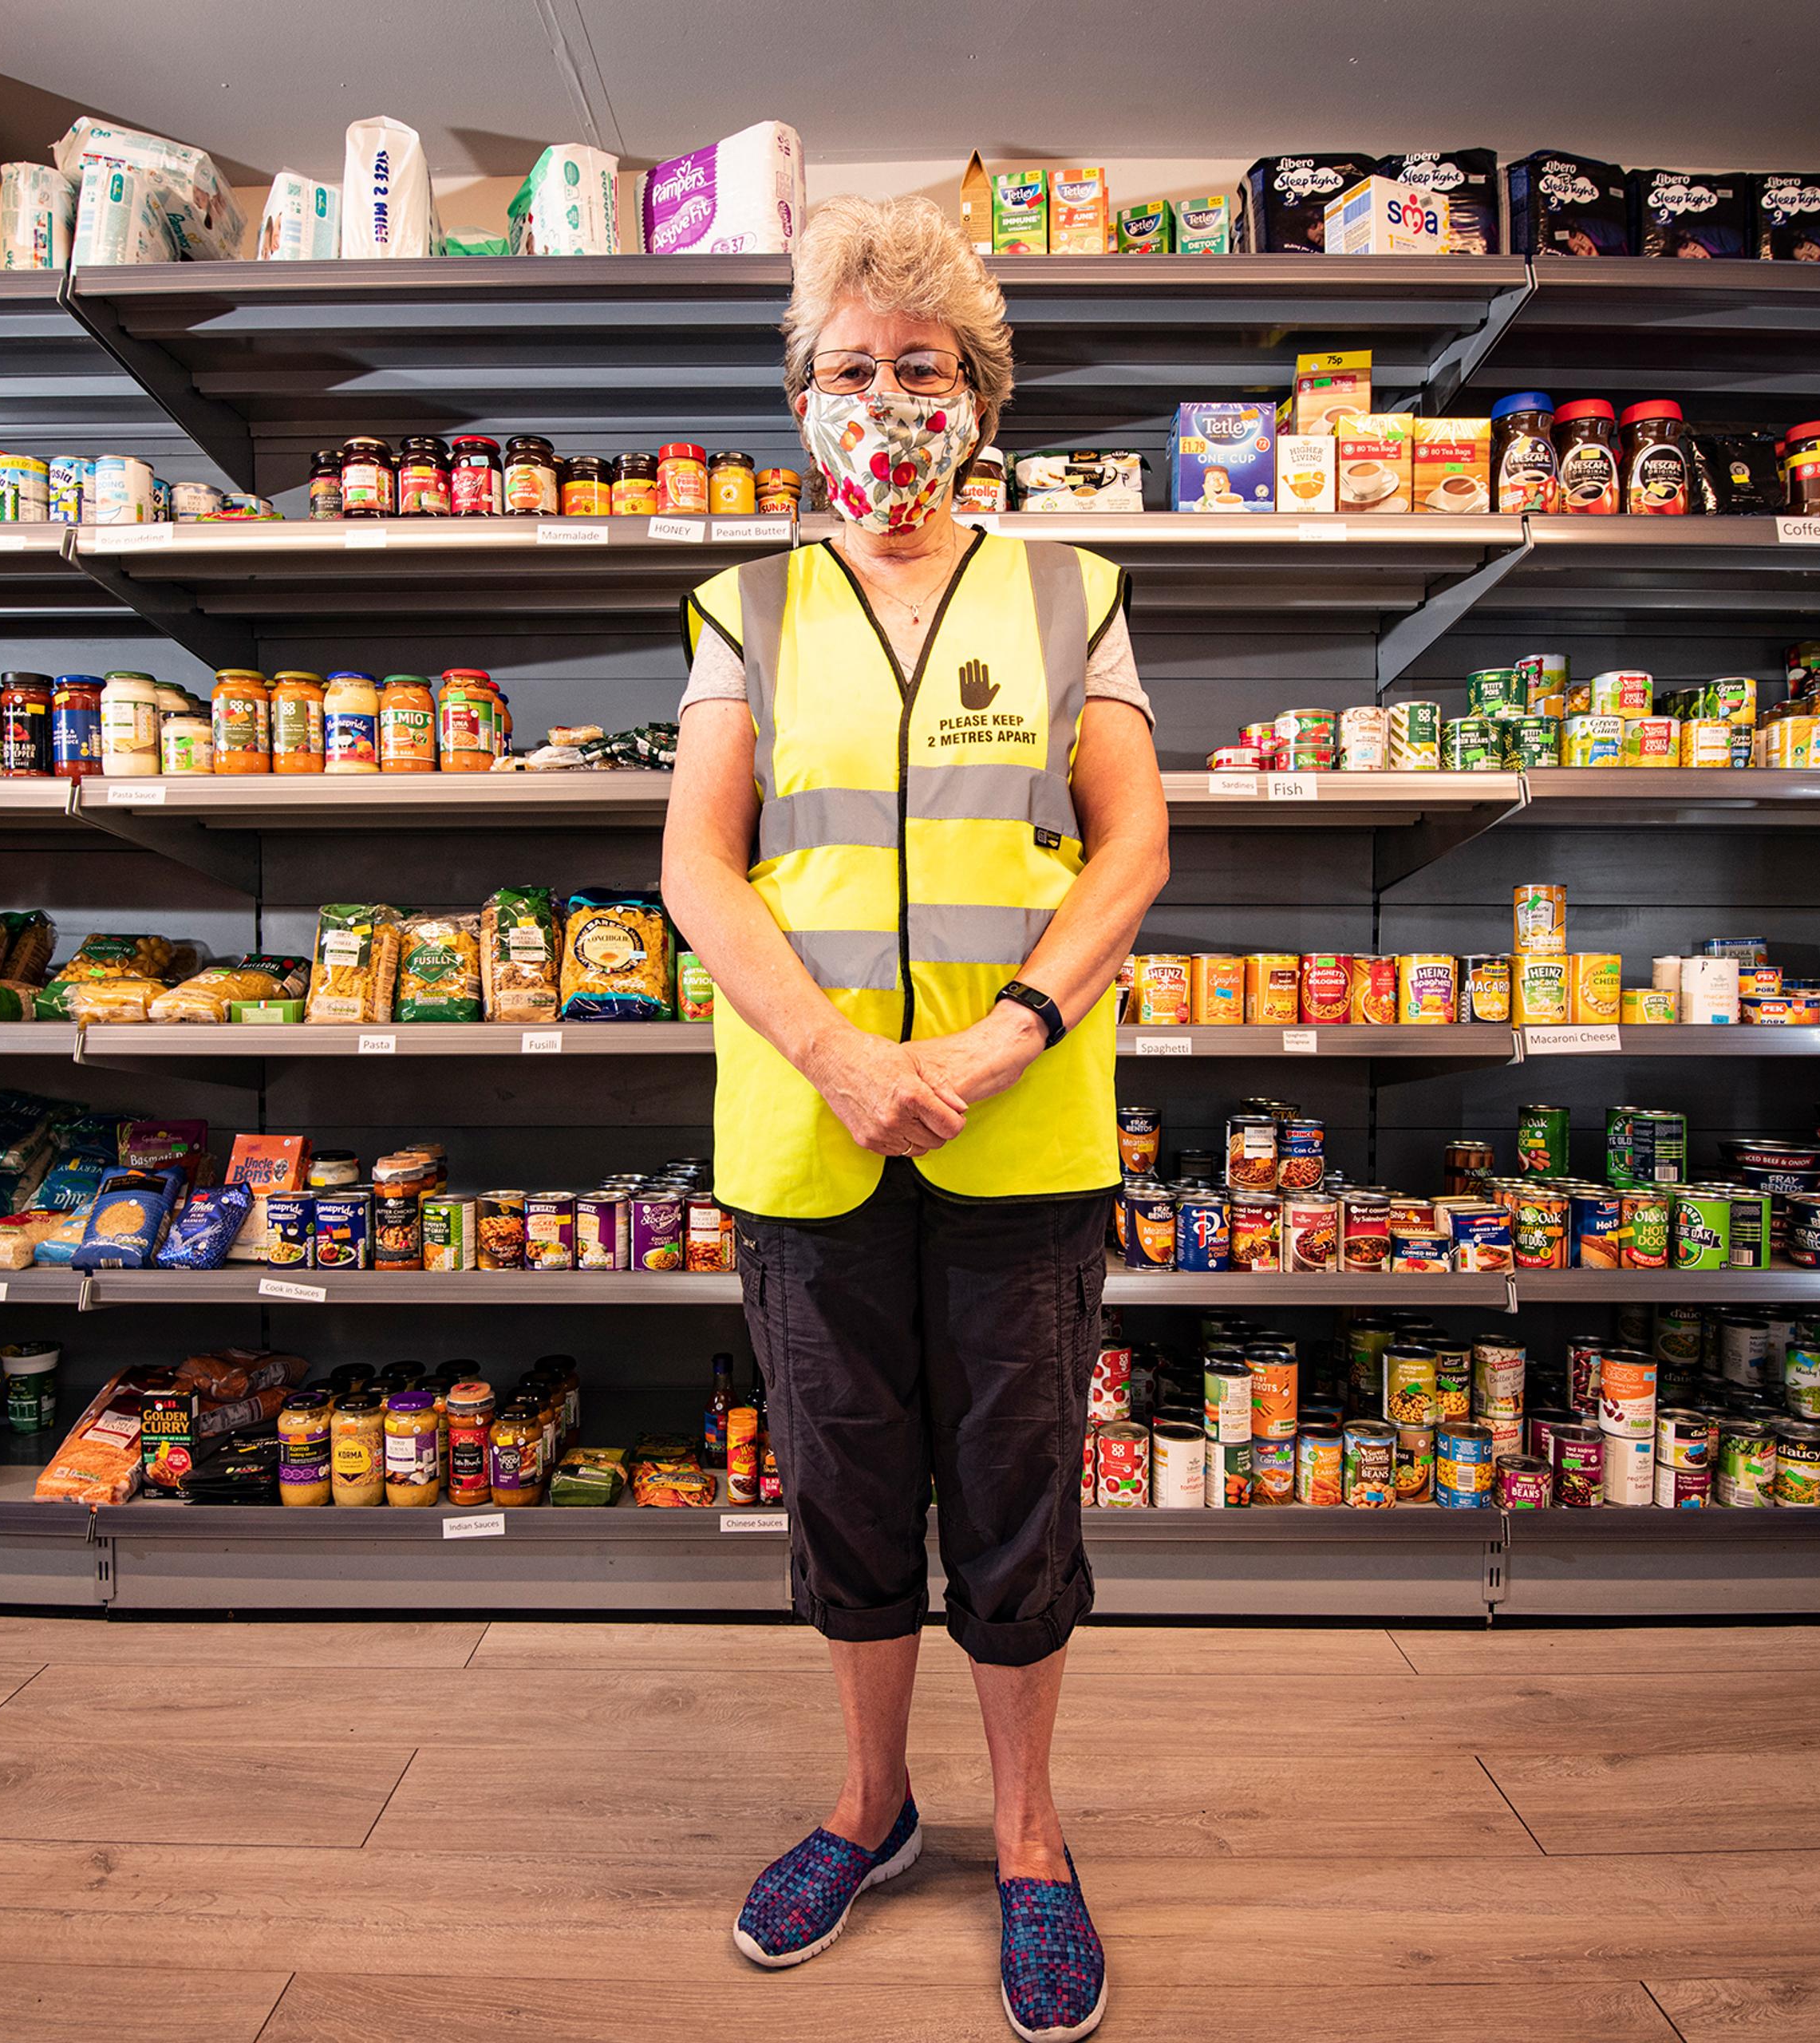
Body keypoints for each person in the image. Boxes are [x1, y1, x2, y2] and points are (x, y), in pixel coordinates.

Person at [663, 192, 1170, 2043]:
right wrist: (844, 1060)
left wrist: (1016, 1028)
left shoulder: (1066, 589)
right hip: (811, 1134)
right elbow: (698, 871)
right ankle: (869, 1807)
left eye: (924, 364)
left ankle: (1031, 1840)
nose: (889, 397)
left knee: (1022, 1494)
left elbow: (1134, 844)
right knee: (851, 1482)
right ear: (804, 391)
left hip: (1020, 1132)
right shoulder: (749, 605)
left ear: (982, 391)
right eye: (853, 364)